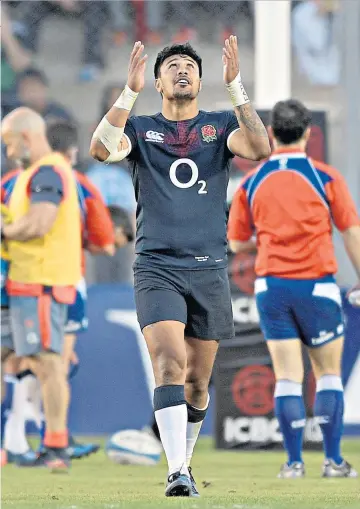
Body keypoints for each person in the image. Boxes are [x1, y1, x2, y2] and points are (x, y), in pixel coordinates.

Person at [90, 37, 270, 497]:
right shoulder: (143, 127)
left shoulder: (219, 125)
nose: (181, 71)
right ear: (158, 81)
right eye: (172, 66)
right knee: (169, 363)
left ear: (201, 79)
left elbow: (259, 147)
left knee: (197, 384)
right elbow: (100, 150)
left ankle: (183, 463)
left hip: (209, 268)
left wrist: (237, 89)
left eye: (189, 65)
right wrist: (127, 95)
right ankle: (177, 472)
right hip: (157, 266)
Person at [228, 99, 360, 479]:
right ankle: (333, 461)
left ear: (271, 133)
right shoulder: (325, 177)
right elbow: (350, 232)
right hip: (317, 285)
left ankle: (293, 463)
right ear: (308, 133)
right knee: (328, 374)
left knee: (288, 376)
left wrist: (269, 241)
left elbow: (236, 244)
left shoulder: (251, 182)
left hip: (272, 288)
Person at [1, 107, 82, 471]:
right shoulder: (31, 175)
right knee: (16, 359)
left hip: (42, 284)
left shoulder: (48, 172)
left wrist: (5, 231)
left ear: (27, 136)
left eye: (8, 143)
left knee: (48, 364)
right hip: (22, 282)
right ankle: (13, 442)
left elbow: (39, 222)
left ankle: (56, 446)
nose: (6, 151)